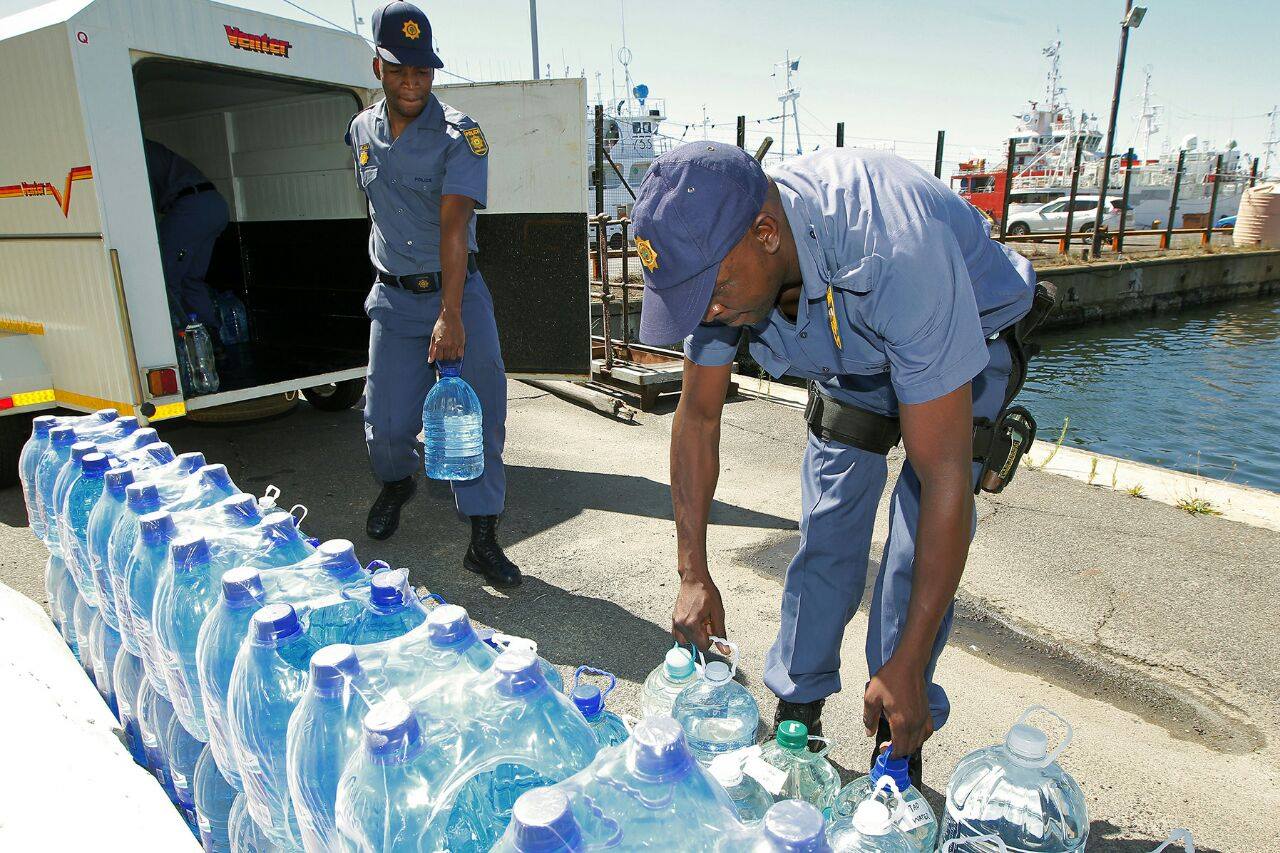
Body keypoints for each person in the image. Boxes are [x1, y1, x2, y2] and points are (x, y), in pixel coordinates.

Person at [632, 142, 1051, 788]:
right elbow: (697, 419)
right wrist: (692, 573)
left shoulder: (895, 248)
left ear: (766, 234)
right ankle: (798, 713)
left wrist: (907, 659)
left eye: (708, 293)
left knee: (912, 552)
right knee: (828, 525)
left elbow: (942, 480)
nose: (704, 314)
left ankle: (898, 738)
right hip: (846, 345)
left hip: (957, 329)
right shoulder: (724, 267)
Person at [345, 1, 519, 588]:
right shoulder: (361, 130)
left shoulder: (461, 136)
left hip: (456, 297)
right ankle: (398, 482)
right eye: (399, 70)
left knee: (479, 420)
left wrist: (450, 315)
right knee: (385, 424)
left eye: (421, 70)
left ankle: (482, 537)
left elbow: (452, 228)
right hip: (393, 302)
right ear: (379, 68)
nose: (412, 81)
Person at [143, 139, 228, 331]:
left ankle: (183, 343)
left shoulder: (132, 150)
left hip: (190, 207)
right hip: (213, 203)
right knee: (191, 280)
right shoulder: (151, 148)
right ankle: (212, 340)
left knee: (165, 279)